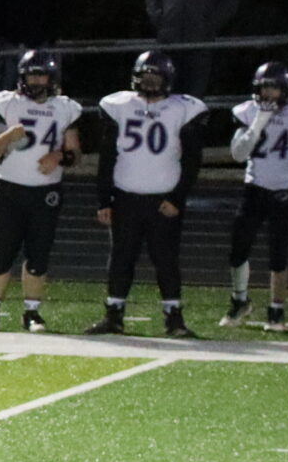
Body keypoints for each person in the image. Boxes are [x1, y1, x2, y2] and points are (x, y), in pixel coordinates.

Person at [84, 51, 208, 338]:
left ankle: (174, 318)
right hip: (125, 196)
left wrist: (177, 198)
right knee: (121, 257)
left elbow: (192, 160)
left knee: (166, 259)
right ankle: (113, 315)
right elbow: (107, 156)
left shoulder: (183, 108)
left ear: (168, 79)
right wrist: (104, 198)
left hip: (163, 199)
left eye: (156, 77)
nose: (150, 83)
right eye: (146, 77)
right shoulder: (119, 105)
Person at [0, 49, 85, 332]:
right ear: (22, 77)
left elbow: (75, 154)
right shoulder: (4, 103)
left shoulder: (64, 107)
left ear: (52, 78)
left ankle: (32, 313)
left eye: (41, 75)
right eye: (32, 75)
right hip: (9, 188)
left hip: (46, 191)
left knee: (38, 254)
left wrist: (59, 156)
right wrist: (7, 136)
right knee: (3, 251)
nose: (36, 81)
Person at [220, 62, 288, 332]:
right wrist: (259, 121)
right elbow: (238, 154)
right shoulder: (247, 111)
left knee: (278, 254)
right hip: (255, 187)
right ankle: (240, 300)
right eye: (264, 87)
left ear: (285, 89)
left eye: (274, 88)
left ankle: (276, 310)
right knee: (238, 249)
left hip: (285, 190)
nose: (268, 93)